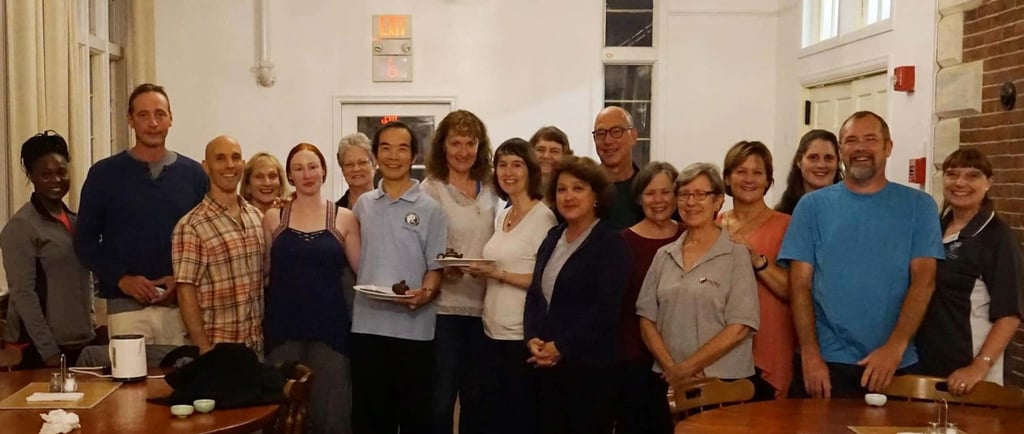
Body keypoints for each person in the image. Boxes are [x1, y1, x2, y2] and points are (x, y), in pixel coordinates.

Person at [778, 111, 944, 399]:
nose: (860, 148)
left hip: (896, 364)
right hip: (827, 366)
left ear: (888, 147)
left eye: (870, 139)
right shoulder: (811, 207)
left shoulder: (920, 206)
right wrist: (810, 354)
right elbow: (800, 284)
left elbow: (924, 282)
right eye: (851, 140)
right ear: (841, 149)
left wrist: (895, 347)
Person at [75, 83, 208, 346]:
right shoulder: (104, 175)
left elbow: (207, 239)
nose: (153, 123)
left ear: (171, 119)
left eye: (160, 114)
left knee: (180, 380)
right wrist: (122, 279)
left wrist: (180, 280)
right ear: (130, 120)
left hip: (181, 305)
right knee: (129, 382)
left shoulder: (193, 175)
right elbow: (85, 241)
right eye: (143, 115)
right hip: (126, 308)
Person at [351, 121, 447, 434]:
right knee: (371, 417)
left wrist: (426, 293)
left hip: (414, 329)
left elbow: (436, 267)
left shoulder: (431, 209)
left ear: (414, 155)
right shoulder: (363, 205)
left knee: (415, 417)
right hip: (368, 325)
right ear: (376, 156)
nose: (394, 156)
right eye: (386, 148)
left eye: (402, 148)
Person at [636, 163, 762, 398]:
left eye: (700, 194)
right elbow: (646, 318)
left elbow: (740, 326)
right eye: (684, 195)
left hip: (722, 383)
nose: (691, 202)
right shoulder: (664, 255)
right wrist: (673, 369)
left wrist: (688, 368)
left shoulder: (736, 255)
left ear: (718, 201)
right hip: (666, 380)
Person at [524, 156, 628, 434]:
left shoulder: (610, 241)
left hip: (590, 370)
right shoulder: (552, 238)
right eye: (561, 189)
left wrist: (562, 348)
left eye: (578, 188)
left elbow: (606, 309)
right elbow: (536, 295)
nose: (568, 196)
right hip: (546, 367)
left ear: (596, 195)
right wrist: (532, 336)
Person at [262, 142, 361, 434]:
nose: (307, 174)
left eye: (313, 166)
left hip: (330, 330)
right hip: (282, 329)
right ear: (290, 176)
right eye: (298, 168)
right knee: (283, 415)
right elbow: (264, 273)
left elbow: (362, 269)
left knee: (332, 414)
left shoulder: (344, 217)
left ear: (324, 171)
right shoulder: (272, 218)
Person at [463, 138, 556, 434]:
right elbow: (502, 262)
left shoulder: (543, 217)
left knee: (520, 418)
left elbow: (544, 281)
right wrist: (482, 270)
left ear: (531, 170)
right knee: (493, 416)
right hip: (491, 330)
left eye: (517, 164)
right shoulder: (503, 213)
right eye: (502, 165)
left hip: (521, 335)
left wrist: (497, 274)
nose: (508, 172)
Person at [916, 148, 1023, 392]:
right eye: (952, 174)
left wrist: (979, 366)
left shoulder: (998, 237)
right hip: (927, 366)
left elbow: (1010, 313)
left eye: (973, 175)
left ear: (989, 183)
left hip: (971, 374)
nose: (960, 182)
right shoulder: (935, 228)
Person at [420, 110, 496, 434]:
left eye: (471, 143)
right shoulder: (431, 189)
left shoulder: (491, 185)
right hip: (446, 310)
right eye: (456, 143)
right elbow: (421, 248)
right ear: (443, 147)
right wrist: (441, 267)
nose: (463, 151)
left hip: (486, 308)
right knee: (441, 400)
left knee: (477, 399)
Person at [1, 131, 95, 369]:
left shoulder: (76, 221)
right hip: (40, 353)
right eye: (46, 174)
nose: (56, 180)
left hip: (80, 344)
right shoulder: (21, 227)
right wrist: (49, 352)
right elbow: (23, 294)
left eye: (61, 172)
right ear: (31, 176)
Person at [171, 136, 265, 354]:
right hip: (217, 349)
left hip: (255, 347)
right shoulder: (191, 226)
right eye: (220, 159)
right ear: (206, 167)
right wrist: (204, 348)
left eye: (235, 158)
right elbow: (186, 293)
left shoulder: (256, 216)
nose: (229, 165)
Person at [718, 141, 792, 399]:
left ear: (768, 181)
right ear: (727, 178)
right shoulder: (712, 224)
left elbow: (792, 290)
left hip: (767, 346)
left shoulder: (786, 225)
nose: (749, 179)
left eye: (757, 172)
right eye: (740, 171)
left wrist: (756, 260)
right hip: (717, 348)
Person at [616, 161, 681, 434]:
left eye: (665, 192)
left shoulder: (690, 236)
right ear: (639, 198)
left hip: (685, 356)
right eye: (650, 193)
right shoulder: (621, 243)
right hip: (634, 358)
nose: (658, 200)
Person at [593, 106, 643, 228]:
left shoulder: (647, 189)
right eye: (601, 133)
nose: (608, 140)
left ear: (633, 136)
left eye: (616, 131)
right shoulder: (585, 189)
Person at [775, 129, 842, 215]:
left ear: (838, 162)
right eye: (813, 157)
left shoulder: (850, 210)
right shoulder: (782, 216)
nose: (821, 165)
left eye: (828, 158)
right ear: (799, 161)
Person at [336, 132, 376, 209]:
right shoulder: (334, 213)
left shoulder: (390, 206)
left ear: (374, 164)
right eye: (349, 164)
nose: (356, 169)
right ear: (342, 170)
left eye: (362, 162)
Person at [529, 126, 572, 194]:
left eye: (554, 151)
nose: (546, 156)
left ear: (565, 155)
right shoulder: (519, 189)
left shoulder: (571, 191)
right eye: (540, 150)